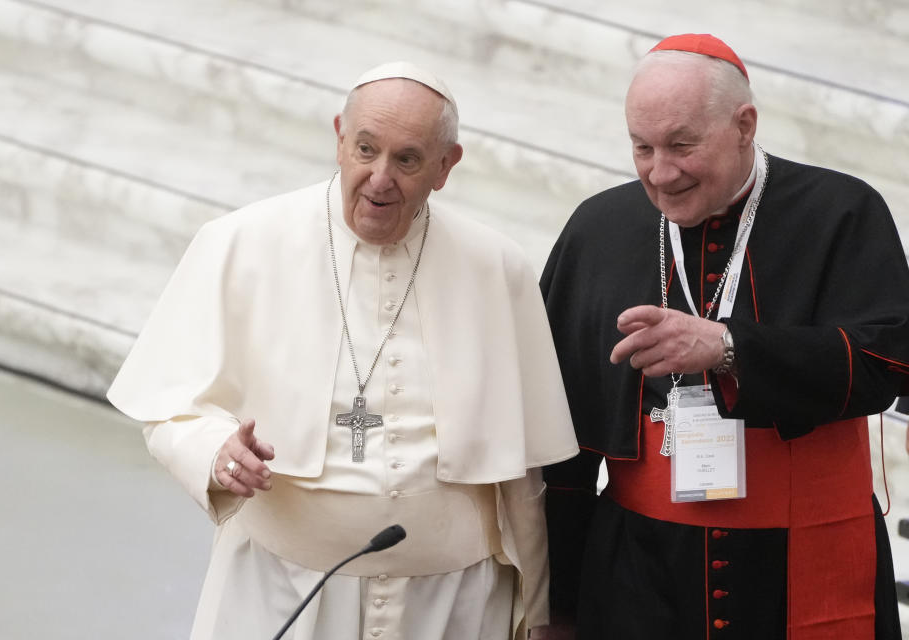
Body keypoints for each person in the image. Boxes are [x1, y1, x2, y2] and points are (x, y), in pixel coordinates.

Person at [107, 61, 578, 640]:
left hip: (451, 601)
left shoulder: (495, 267)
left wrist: (540, 610)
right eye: (365, 149)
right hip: (286, 587)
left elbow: (523, 473)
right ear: (338, 137)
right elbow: (168, 409)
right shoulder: (242, 242)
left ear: (445, 166)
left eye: (407, 159)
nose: (380, 179)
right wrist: (215, 452)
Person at [540, 34, 909, 639]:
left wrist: (731, 348)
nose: (661, 173)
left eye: (683, 146)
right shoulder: (598, 227)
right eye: (642, 147)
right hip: (635, 572)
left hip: (795, 565)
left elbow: (890, 360)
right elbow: (558, 435)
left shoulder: (841, 211)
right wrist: (555, 599)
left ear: (744, 125)